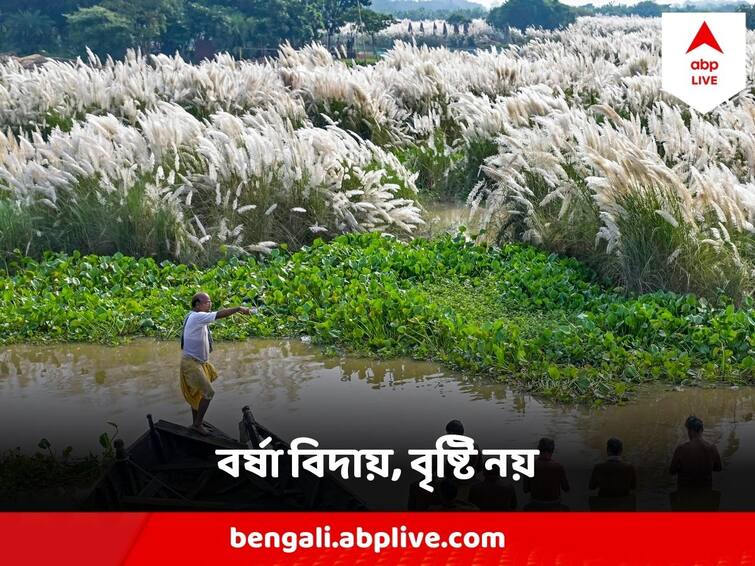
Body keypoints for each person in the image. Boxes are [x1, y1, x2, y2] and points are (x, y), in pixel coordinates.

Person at [180, 291, 253, 434]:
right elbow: (219, 315)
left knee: (198, 394)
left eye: (210, 302)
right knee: (208, 393)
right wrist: (238, 308)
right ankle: (198, 424)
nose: (210, 304)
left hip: (199, 362)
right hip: (191, 363)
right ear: (197, 305)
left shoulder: (196, 317)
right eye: (207, 302)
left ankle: (196, 423)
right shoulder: (197, 317)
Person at [670, 416, 722, 490]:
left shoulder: (681, 449)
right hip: (705, 491)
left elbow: (672, 471)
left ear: (690, 431)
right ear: (702, 430)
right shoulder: (712, 448)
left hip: (686, 492)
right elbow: (718, 468)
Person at [588, 437, 637, 511]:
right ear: (621, 451)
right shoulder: (629, 467)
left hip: (603, 503)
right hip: (623, 504)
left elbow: (591, 487)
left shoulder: (598, 467)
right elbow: (633, 487)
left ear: (607, 450)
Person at [523, 437, 570, 510]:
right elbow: (566, 489)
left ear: (538, 450)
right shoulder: (559, 466)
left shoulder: (529, 465)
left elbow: (525, 490)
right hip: (554, 503)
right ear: (552, 450)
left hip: (536, 503)